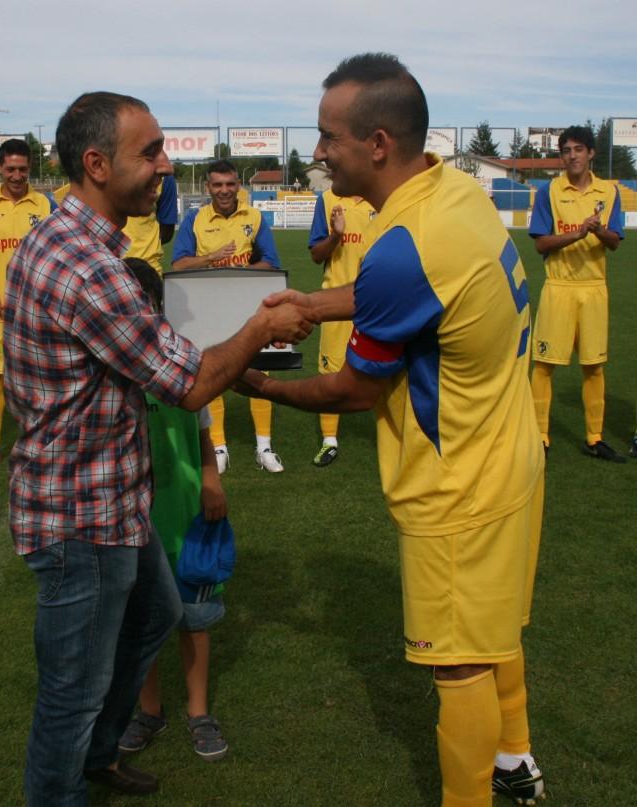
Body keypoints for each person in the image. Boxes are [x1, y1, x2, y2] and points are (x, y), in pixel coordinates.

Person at [236, 54, 545, 807]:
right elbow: (411, 290)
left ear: (377, 144)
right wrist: (314, 304)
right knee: (494, 629)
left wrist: (261, 384)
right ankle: (516, 759)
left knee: (459, 661)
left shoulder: (405, 246)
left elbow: (353, 388)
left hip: (456, 485)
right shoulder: (455, 193)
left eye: (327, 137)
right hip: (509, 451)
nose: (317, 152)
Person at [2, 91, 313, 806]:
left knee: (156, 614)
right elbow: (190, 383)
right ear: (96, 164)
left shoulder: (64, 241)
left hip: (110, 499)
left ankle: (100, 752)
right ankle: (64, 787)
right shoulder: (90, 268)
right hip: (81, 514)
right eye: (150, 153)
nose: (166, 167)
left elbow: (158, 354)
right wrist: (261, 328)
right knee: (71, 691)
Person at [118, 259, 230, 762]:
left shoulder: (181, 355)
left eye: (141, 302)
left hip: (183, 505)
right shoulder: (111, 360)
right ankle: (149, 710)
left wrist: (210, 478)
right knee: (139, 616)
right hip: (131, 511)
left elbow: (202, 425)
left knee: (194, 615)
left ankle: (199, 712)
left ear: (156, 305)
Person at [172, 160, 284, 474]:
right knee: (212, 374)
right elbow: (178, 265)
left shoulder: (254, 217)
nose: (224, 190)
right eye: (218, 185)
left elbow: (271, 262)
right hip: (207, 310)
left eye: (230, 184)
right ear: (208, 187)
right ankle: (218, 447)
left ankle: (264, 447)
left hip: (246, 308)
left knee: (257, 372)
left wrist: (239, 271)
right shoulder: (194, 219)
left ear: (238, 185)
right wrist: (210, 259)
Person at [528, 125, 625, 461]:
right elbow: (541, 243)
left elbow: (615, 242)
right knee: (544, 365)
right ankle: (539, 436)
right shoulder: (549, 192)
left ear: (591, 153)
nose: (572, 156)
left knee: (594, 367)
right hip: (559, 288)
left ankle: (594, 438)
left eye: (579, 149)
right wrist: (578, 234)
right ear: (562, 157)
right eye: (566, 151)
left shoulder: (609, 192)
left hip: (594, 289)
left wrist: (598, 231)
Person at [0, 138, 55, 472]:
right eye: (11, 169)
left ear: (30, 168)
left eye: (22, 169)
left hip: (38, 313)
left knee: (42, 379)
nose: (17, 176)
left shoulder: (45, 205)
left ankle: (43, 443)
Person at [307, 188, 376, 466]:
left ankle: (395, 434)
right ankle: (329, 441)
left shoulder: (382, 196)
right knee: (331, 371)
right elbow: (316, 254)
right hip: (336, 302)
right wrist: (336, 235)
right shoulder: (327, 200)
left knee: (391, 369)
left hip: (378, 299)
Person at [54, 173, 178, 272]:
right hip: (103, 268)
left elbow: (167, 230)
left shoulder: (164, 176)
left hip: (146, 271)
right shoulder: (92, 174)